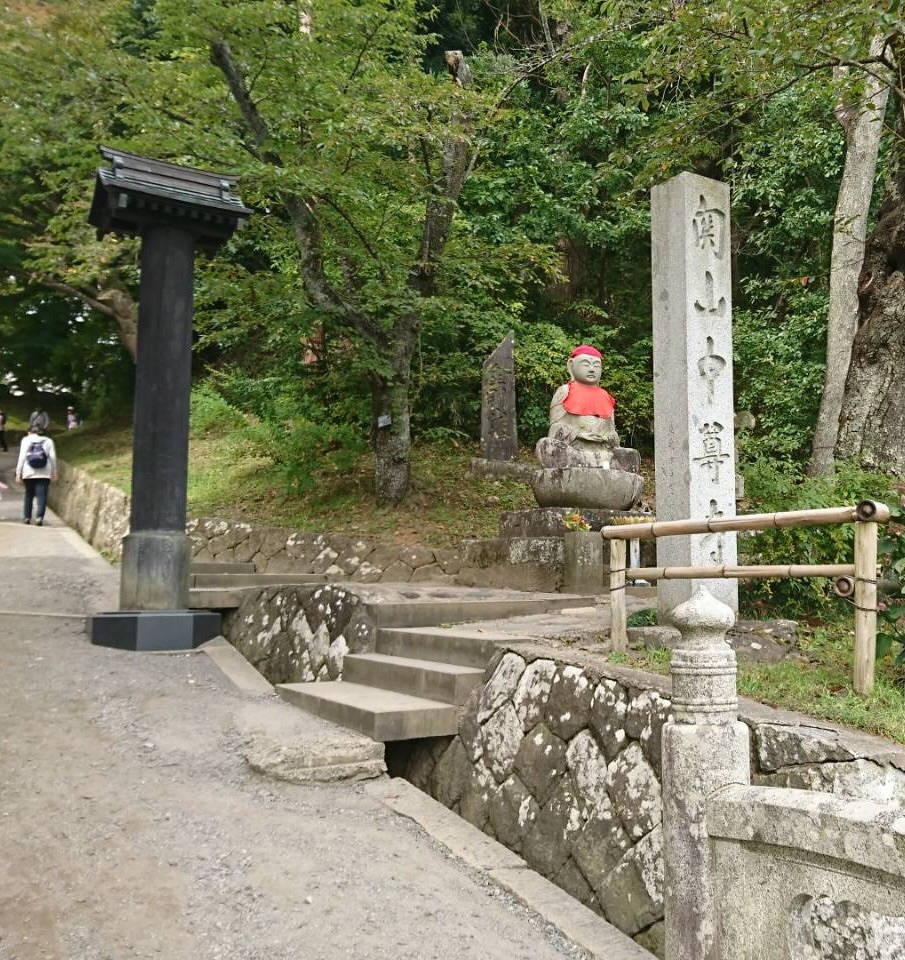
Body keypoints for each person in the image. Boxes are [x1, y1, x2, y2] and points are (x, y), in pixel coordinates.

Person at [536, 344, 620, 469]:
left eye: (596, 365)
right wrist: (578, 434)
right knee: (546, 445)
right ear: (571, 365)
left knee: (629, 455)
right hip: (574, 451)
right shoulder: (565, 391)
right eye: (586, 364)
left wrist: (605, 437)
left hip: (601, 453)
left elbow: (613, 436)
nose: (592, 369)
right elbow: (554, 429)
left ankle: (598, 465)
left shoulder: (606, 397)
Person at [15, 424, 57, 526]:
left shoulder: (26, 440)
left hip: (28, 472)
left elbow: (21, 457)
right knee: (42, 496)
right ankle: (39, 517)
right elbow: (52, 457)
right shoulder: (48, 441)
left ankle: (27, 517)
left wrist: (18, 473)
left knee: (29, 495)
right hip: (44, 472)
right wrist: (54, 472)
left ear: (31, 432)